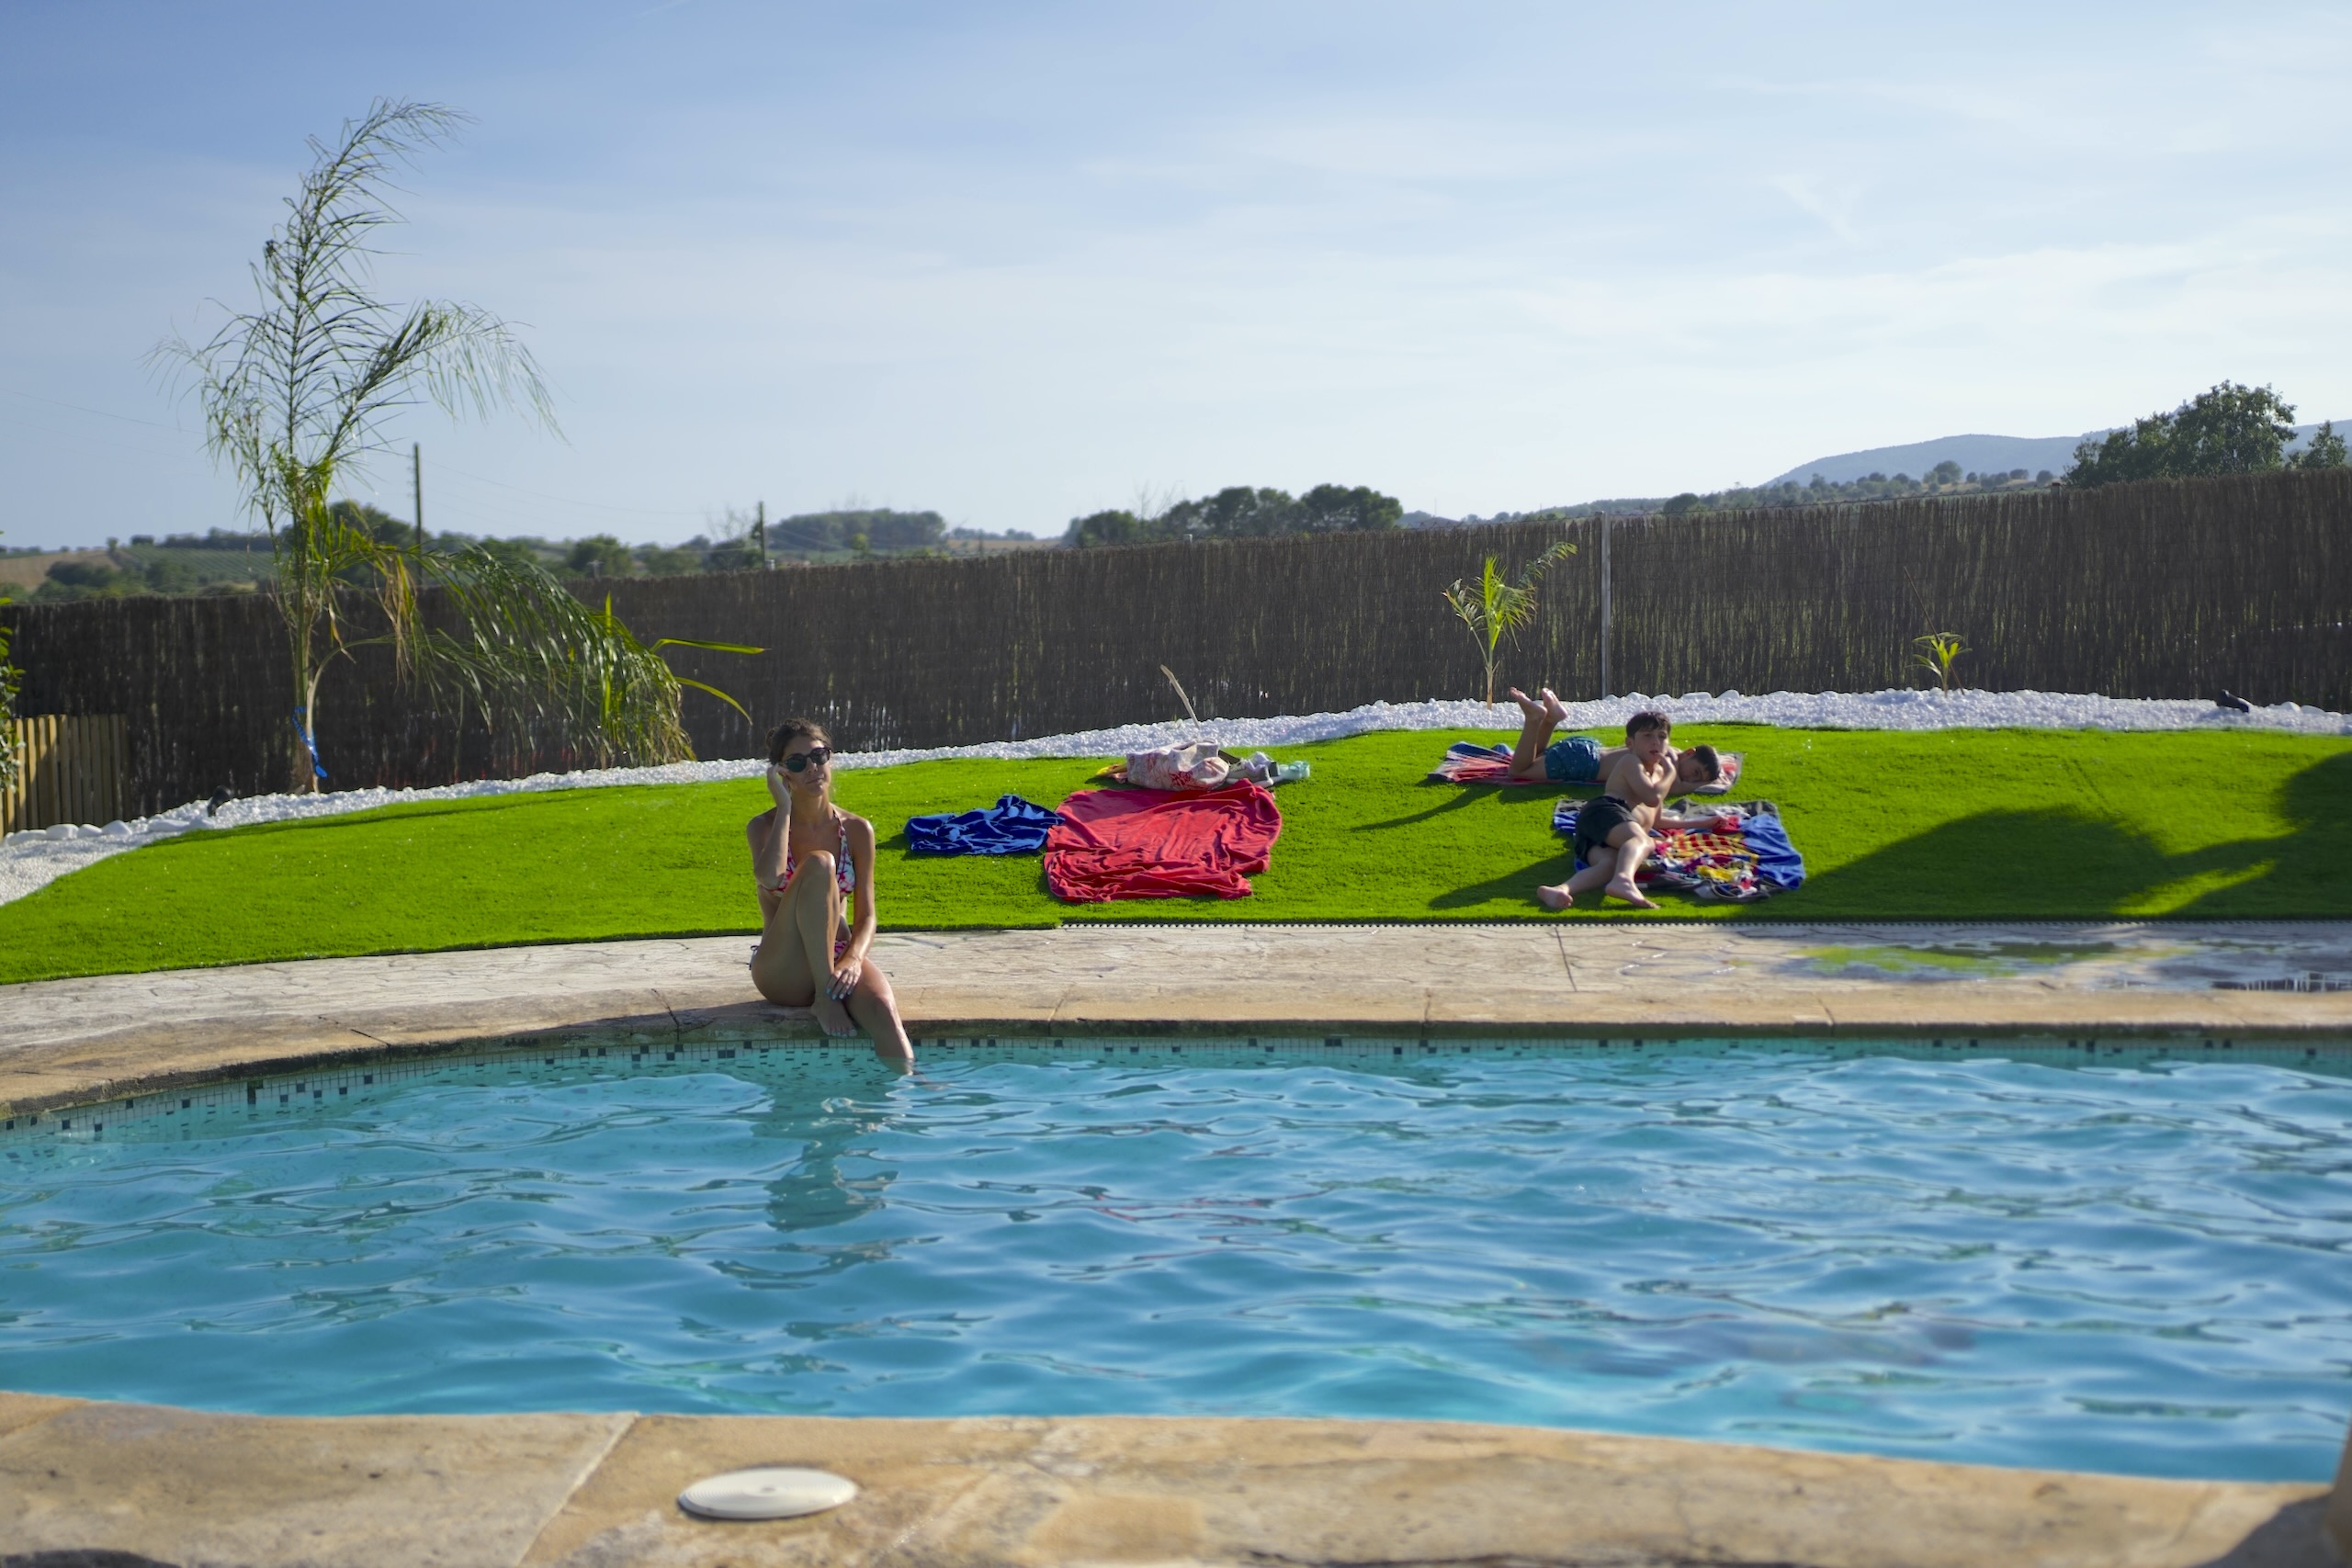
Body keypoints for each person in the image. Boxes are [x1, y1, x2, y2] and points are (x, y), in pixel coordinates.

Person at [745, 717, 914, 1066]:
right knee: (820, 864)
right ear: (782, 773)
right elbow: (771, 877)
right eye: (797, 762)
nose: (812, 768)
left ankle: (910, 1096)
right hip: (782, 968)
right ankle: (825, 996)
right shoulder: (763, 827)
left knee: (883, 1010)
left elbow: (866, 916)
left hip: (836, 954)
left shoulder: (856, 830)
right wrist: (785, 809)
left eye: (819, 756)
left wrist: (852, 960)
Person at [1534, 709, 1731, 911]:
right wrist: (1671, 774)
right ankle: (1624, 881)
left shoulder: (1659, 774)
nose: (1656, 742)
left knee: (1609, 865)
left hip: (1603, 830)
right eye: (1647, 736)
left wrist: (1702, 822)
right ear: (1630, 744)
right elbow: (1652, 798)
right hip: (1605, 811)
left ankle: (1561, 889)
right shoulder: (1631, 762)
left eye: (1662, 737)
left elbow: (1657, 821)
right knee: (1643, 841)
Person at [1505, 686, 1721, 793]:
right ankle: (1534, 719)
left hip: (1586, 748)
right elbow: (1674, 788)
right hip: (1582, 762)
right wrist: (1703, 784)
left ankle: (1552, 719)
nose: (1692, 779)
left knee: (1538, 757)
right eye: (1695, 773)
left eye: (1697, 779)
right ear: (1689, 753)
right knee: (1518, 771)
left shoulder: (1664, 748)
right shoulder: (1665, 761)